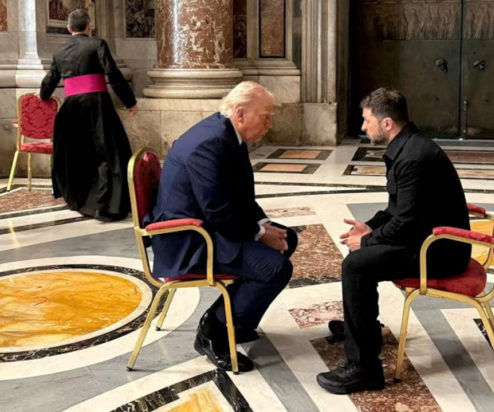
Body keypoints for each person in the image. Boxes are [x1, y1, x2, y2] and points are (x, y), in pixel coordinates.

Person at [316, 87, 471, 394]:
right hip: (427, 239)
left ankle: (364, 369)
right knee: (360, 261)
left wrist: (368, 242)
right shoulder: (408, 147)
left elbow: (406, 223)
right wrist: (369, 228)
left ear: (387, 123)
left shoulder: (412, 157)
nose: (363, 127)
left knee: (357, 265)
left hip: (440, 251)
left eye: (367, 120)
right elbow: (396, 211)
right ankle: (364, 331)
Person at [147, 81, 298, 372]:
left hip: (208, 226)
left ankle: (237, 320)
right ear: (240, 113)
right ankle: (213, 330)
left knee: (287, 239)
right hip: (188, 239)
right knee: (275, 269)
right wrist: (260, 233)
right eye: (265, 116)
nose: (270, 123)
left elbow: (239, 196)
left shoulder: (227, 133)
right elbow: (217, 211)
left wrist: (263, 224)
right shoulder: (211, 143)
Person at [40, 9, 138, 221]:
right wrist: (129, 101)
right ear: (89, 27)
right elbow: (113, 74)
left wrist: (43, 96)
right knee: (108, 152)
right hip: (97, 104)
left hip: (71, 107)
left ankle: (79, 200)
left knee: (78, 154)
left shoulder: (59, 51)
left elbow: (50, 79)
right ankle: (107, 204)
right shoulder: (97, 44)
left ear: (69, 28)